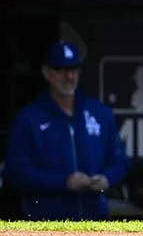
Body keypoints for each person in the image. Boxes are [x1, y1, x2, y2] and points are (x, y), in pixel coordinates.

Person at [3, 40, 128, 219]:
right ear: (47, 73)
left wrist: (106, 180)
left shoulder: (100, 113)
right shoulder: (29, 118)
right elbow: (16, 173)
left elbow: (120, 161)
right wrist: (64, 182)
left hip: (93, 220)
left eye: (73, 69)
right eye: (61, 70)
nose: (69, 77)